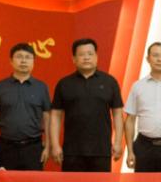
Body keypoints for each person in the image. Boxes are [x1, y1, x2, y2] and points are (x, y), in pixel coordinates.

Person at [50, 38, 124, 172]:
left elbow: (118, 114)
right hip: (72, 151)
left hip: (101, 150)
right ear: (74, 59)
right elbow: (55, 116)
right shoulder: (64, 84)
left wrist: (118, 142)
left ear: (96, 57)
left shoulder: (109, 82)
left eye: (90, 54)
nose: (86, 58)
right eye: (81, 54)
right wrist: (55, 145)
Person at [124, 42, 161, 172]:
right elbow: (130, 120)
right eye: (155, 55)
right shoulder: (138, 86)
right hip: (144, 146)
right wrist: (130, 151)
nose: (159, 59)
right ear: (148, 59)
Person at [0, 42, 51, 171]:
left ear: (33, 61)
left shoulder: (41, 87)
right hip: (6, 147)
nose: (23, 61)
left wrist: (48, 146)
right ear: (11, 61)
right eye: (19, 57)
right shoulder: (0, 87)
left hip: (33, 147)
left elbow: (47, 118)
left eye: (28, 57)